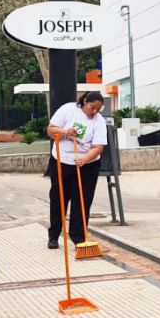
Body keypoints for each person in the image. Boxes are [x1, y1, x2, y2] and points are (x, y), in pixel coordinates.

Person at [46, 91, 108, 249]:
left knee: (82, 200)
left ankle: (78, 237)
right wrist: (65, 131)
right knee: (59, 198)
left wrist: (85, 159)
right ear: (85, 101)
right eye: (92, 107)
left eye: (98, 109)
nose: (94, 112)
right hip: (62, 160)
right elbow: (51, 130)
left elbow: (98, 147)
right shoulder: (68, 109)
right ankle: (54, 235)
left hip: (87, 164)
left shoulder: (99, 121)